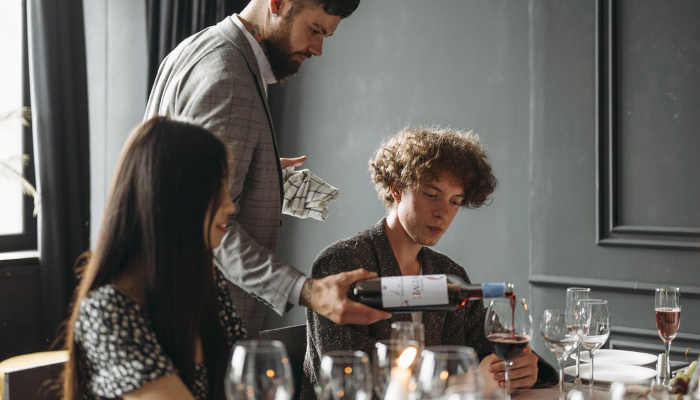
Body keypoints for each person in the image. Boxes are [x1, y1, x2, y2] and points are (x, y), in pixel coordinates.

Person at [144, 0, 389, 337]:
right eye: (315, 30)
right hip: (198, 328)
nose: (318, 49)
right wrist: (308, 291)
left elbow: (175, 183)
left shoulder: (195, 48)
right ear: (278, 3)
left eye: (326, 37)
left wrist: (263, 175)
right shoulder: (230, 79)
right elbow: (203, 224)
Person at [302, 127, 558, 398]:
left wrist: (527, 368)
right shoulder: (341, 264)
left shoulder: (449, 273)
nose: (442, 213)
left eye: (454, 202)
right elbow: (347, 379)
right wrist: (464, 381)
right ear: (396, 187)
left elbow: (490, 346)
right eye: (431, 194)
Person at [63, 117, 245, 399]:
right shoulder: (107, 310)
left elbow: (242, 377)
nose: (230, 205)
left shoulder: (207, 282)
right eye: (215, 189)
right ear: (178, 199)